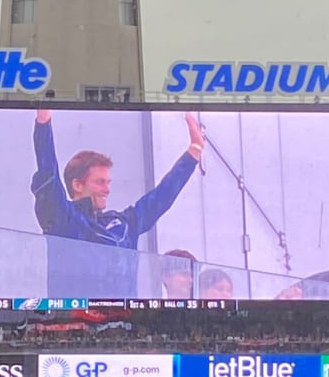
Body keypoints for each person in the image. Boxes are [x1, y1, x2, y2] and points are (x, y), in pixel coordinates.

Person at [30, 108, 203, 297]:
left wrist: (193, 152)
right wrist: (43, 121)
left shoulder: (122, 224)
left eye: (108, 182)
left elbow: (160, 198)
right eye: (100, 182)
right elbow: (48, 174)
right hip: (75, 319)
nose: (107, 189)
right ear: (77, 185)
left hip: (124, 321)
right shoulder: (62, 218)